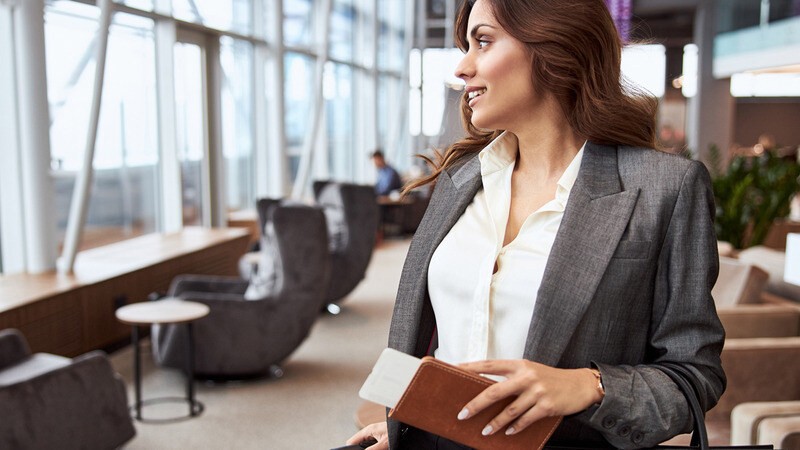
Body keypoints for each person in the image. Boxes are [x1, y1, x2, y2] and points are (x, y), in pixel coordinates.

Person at [347, 0, 725, 448]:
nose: (462, 68)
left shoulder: (666, 188)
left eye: (482, 41)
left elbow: (693, 378)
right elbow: (428, 337)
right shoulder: (459, 179)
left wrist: (589, 386)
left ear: (554, 44)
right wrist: (403, 423)